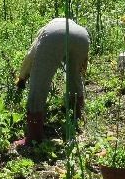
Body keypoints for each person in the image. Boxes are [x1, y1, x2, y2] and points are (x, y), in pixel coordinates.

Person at [13, 18, 90, 148]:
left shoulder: (47, 31)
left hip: (55, 38)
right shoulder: (72, 25)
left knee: (39, 83)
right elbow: (82, 66)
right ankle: (77, 117)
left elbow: (30, 57)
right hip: (82, 36)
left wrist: (22, 78)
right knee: (75, 76)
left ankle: (34, 136)